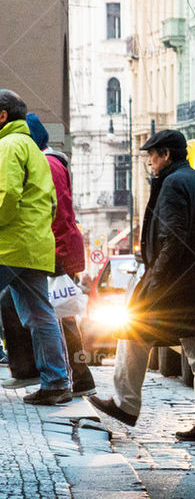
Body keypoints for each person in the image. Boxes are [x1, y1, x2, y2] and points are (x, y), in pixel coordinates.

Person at [90, 129, 195, 442]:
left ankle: (126, 405)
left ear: (165, 155)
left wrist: (154, 284)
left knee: (133, 330)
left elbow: (172, 239)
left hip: (178, 285)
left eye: (152, 156)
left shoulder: (173, 183)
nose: (150, 162)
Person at [5, 114, 96, 397]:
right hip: (45, 247)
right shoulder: (49, 160)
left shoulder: (25, 154)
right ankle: (61, 380)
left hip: (30, 247)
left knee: (58, 313)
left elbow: (17, 199)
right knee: (50, 313)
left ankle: (70, 377)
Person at [0, 90, 71, 405]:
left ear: (2, 116)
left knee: (39, 315)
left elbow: (6, 195)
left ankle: (55, 381)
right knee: (41, 315)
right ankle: (56, 382)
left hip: (8, 245)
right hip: (34, 246)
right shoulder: (33, 148)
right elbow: (51, 202)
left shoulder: (7, 145)